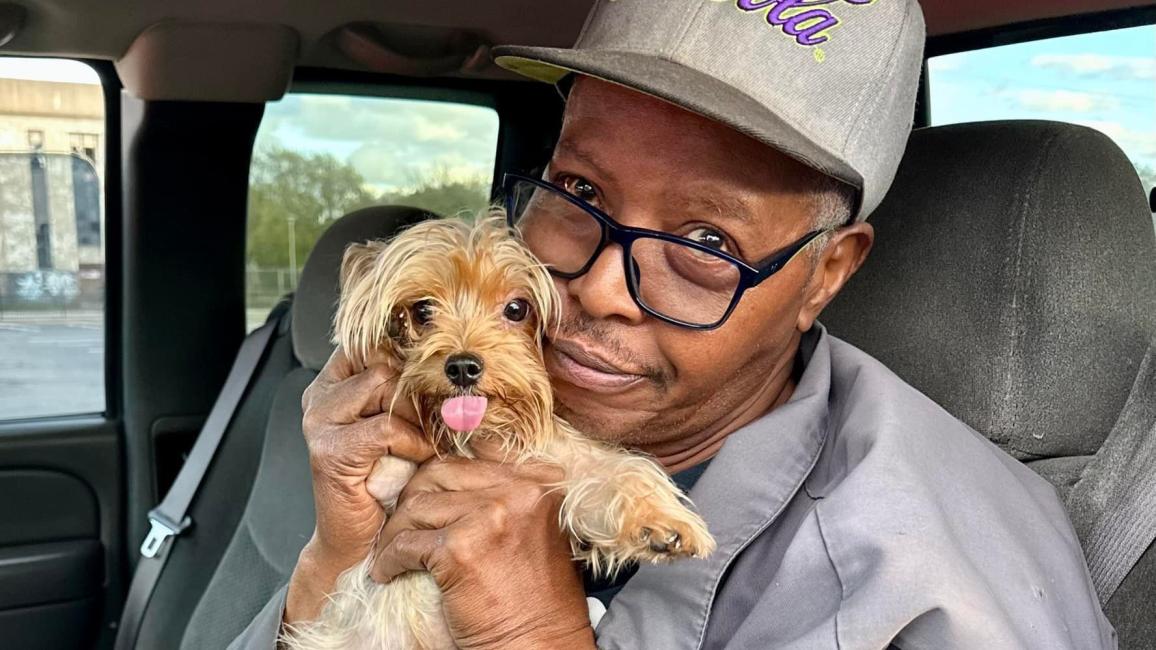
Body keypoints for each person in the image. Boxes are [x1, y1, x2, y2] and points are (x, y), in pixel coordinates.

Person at [233, 0, 1116, 647]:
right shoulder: (416, 423)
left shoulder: (932, 590)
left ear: (825, 274)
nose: (603, 290)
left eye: (705, 239)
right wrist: (332, 565)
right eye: (578, 193)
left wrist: (531, 633)